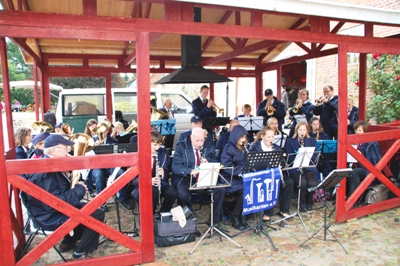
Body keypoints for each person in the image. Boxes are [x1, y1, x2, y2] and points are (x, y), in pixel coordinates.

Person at [23, 134, 105, 260]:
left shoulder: (49, 164)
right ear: (54, 151)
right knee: (96, 214)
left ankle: (68, 242)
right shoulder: (45, 173)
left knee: (94, 209)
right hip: (50, 217)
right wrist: (79, 190)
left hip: (51, 212)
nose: (68, 150)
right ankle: (80, 253)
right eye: (65, 148)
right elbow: (54, 204)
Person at [172, 127, 224, 229]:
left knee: (220, 189)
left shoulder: (208, 146)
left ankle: (214, 221)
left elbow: (216, 162)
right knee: (182, 193)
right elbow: (175, 167)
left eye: (202, 140)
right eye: (197, 140)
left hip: (205, 177)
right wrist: (190, 171)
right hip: (187, 178)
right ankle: (191, 221)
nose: (200, 143)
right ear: (191, 138)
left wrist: (208, 163)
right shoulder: (181, 146)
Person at [249, 126, 294, 221]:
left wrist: (279, 162)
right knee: (270, 183)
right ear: (262, 136)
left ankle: (284, 210)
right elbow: (251, 163)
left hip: (274, 173)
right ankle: (267, 212)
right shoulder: (255, 146)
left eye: (272, 137)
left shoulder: (276, 148)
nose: (271, 139)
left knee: (289, 182)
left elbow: (282, 163)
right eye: (269, 137)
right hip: (260, 174)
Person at [131, 130, 177, 214]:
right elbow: (134, 180)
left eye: (159, 144)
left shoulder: (163, 153)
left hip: (160, 182)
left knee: (172, 193)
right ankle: (150, 215)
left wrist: (163, 174)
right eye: (155, 145)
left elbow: (167, 172)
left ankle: (161, 214)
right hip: (142, 184)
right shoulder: (139, 155)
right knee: (152, 192)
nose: (157, 148)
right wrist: (148, 181)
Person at [220, 125, 250, 230]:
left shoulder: (244, 148)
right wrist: (243, 168)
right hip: (229, 179)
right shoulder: (228, 149)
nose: (243, 139)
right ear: (235, 137)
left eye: (245, 137)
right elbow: (228, 168)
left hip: (240, 178)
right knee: (246, 189)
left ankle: (243, 215)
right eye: (241, 137)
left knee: (252, 186)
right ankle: (235, 215)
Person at [285, 121, 319, 212]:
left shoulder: (312, 140)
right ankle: (302, 203)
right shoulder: (290, 141)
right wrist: (299, 155)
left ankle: (309, 201)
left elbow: (315, 156)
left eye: (304, 130)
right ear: (297, 131)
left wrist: (307, 153)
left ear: (307, 131)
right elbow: (289, 158)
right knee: (302, 183)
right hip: (296, 168)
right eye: (300, 130)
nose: (302, 132)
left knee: (312, 183)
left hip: (309, 166)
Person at [347, 121, 381, 197]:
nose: (357, 132)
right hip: (354, 164)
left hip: (366, 168)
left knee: (354, 172)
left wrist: (360, 155)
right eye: (356, 130)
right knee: (341, 170)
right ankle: (339, 195)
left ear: (364, 131)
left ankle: (352, 198)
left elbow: (373, 160)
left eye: (360, 130)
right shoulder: (355, 141)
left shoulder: (370, 143)